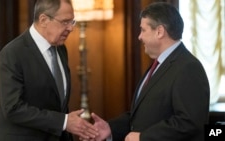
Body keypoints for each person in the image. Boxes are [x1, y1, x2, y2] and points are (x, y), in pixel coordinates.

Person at [85, 2, 210, 141]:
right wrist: (110, 128)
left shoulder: (188, 68)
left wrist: (144, 138)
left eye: (143, 30)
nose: (140, 37)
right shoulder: (159, 64)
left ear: (159, 32)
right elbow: (143, 115)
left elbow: (189, 123)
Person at [0, 0, 98, 140]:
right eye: (65, 22)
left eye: (72, 22)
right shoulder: (13, 53)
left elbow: (57, 103)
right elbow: (13, 109)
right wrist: (63, 122)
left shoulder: (61, 48)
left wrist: (73, 126)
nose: (71, 28)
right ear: (43, 19)